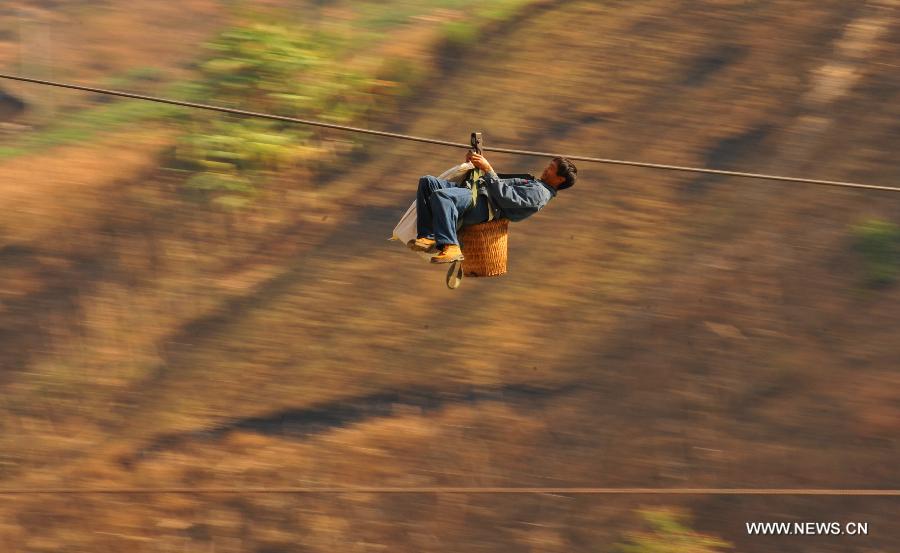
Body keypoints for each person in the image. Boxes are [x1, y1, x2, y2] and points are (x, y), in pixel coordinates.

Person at [412, 152, 578, 262]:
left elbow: (506, 197)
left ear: (560, 180)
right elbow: (494, 183)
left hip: (483, 204)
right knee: (427, 182)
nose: (546, 169)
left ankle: (451, 246)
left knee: (443, 196)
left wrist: (488, 169)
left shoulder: (540, 194)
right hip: (474, 192)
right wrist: (474, 167)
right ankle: (429, 236)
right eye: (549, 166)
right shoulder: (535, 184)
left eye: (551, 169)